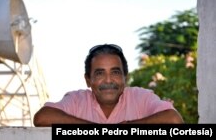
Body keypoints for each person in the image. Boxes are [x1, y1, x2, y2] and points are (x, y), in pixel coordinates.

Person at [33, 44, 184, 126]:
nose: (108, 80)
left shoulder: (140, 97)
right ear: (88, 80)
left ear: (126, 78)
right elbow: (42, 118)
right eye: (99, 73)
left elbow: (174, 120)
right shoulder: (77, 99)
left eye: (115, 72)